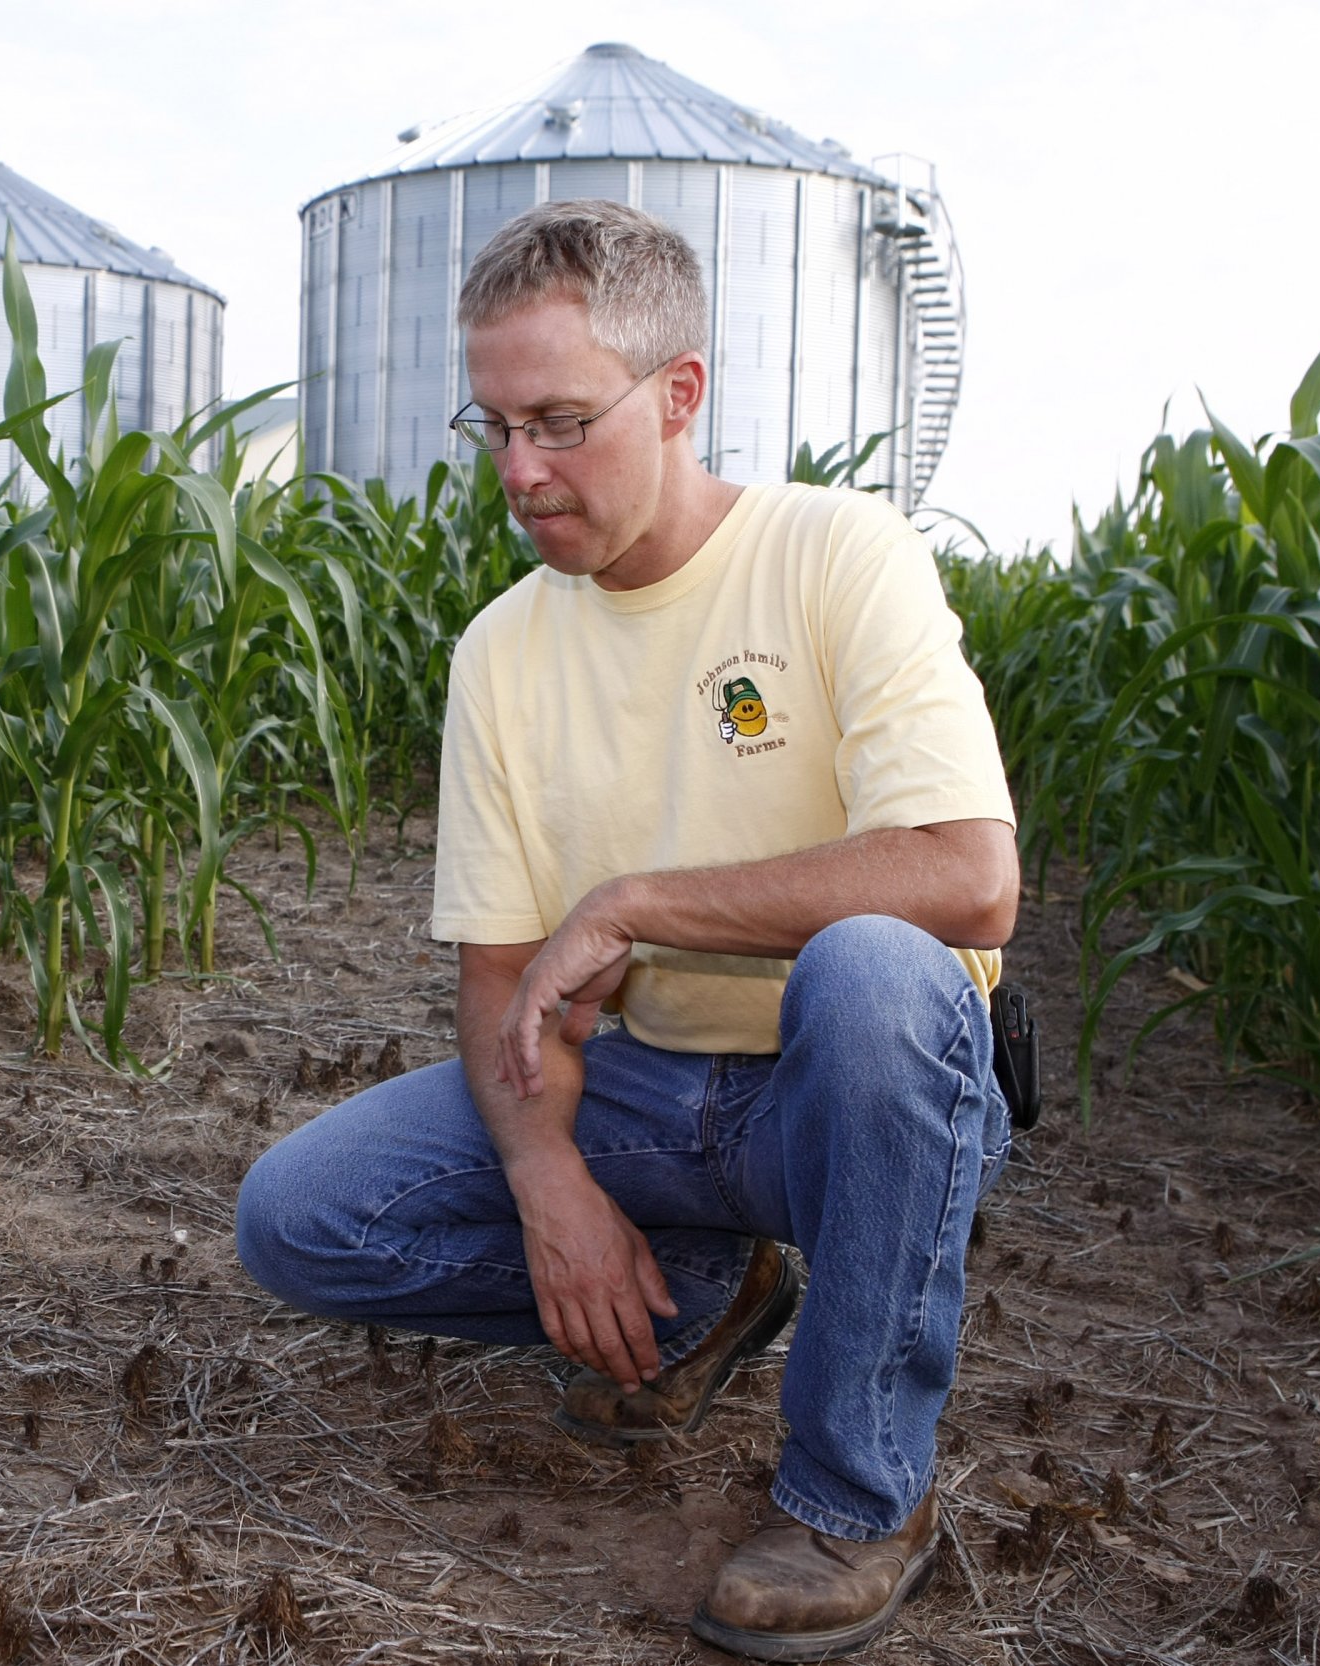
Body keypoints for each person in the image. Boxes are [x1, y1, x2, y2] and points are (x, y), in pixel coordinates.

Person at [234, 199, 1018, 1662]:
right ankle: (703, 1292)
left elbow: (972, 877)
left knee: (876, 971)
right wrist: (550, 1183)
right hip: (645, 1096)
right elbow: (495, 981)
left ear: (680, 395)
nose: (522, 473)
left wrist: (638, 904)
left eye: (563, 421)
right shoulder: (504, 650)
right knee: (299, 1216)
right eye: (496, 427)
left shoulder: (839, 556)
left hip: (841, 1097)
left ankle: (860, 1493)